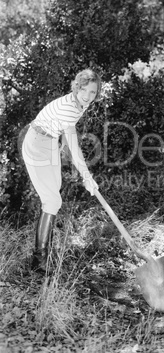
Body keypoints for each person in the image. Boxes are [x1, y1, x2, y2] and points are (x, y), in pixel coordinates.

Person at [22, 68, 102, 273]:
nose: (87, 95)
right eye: (84, 90)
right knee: (53, 200)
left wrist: (81, 170)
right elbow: (74, 146)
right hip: (36, 143)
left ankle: (44, 252)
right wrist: (86, 176)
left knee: (54, 194)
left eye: (92, 92)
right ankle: (39, 261)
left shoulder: (81, 104)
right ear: (76, 87)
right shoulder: (70, 107)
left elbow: (68, 134)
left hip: (49, 142)